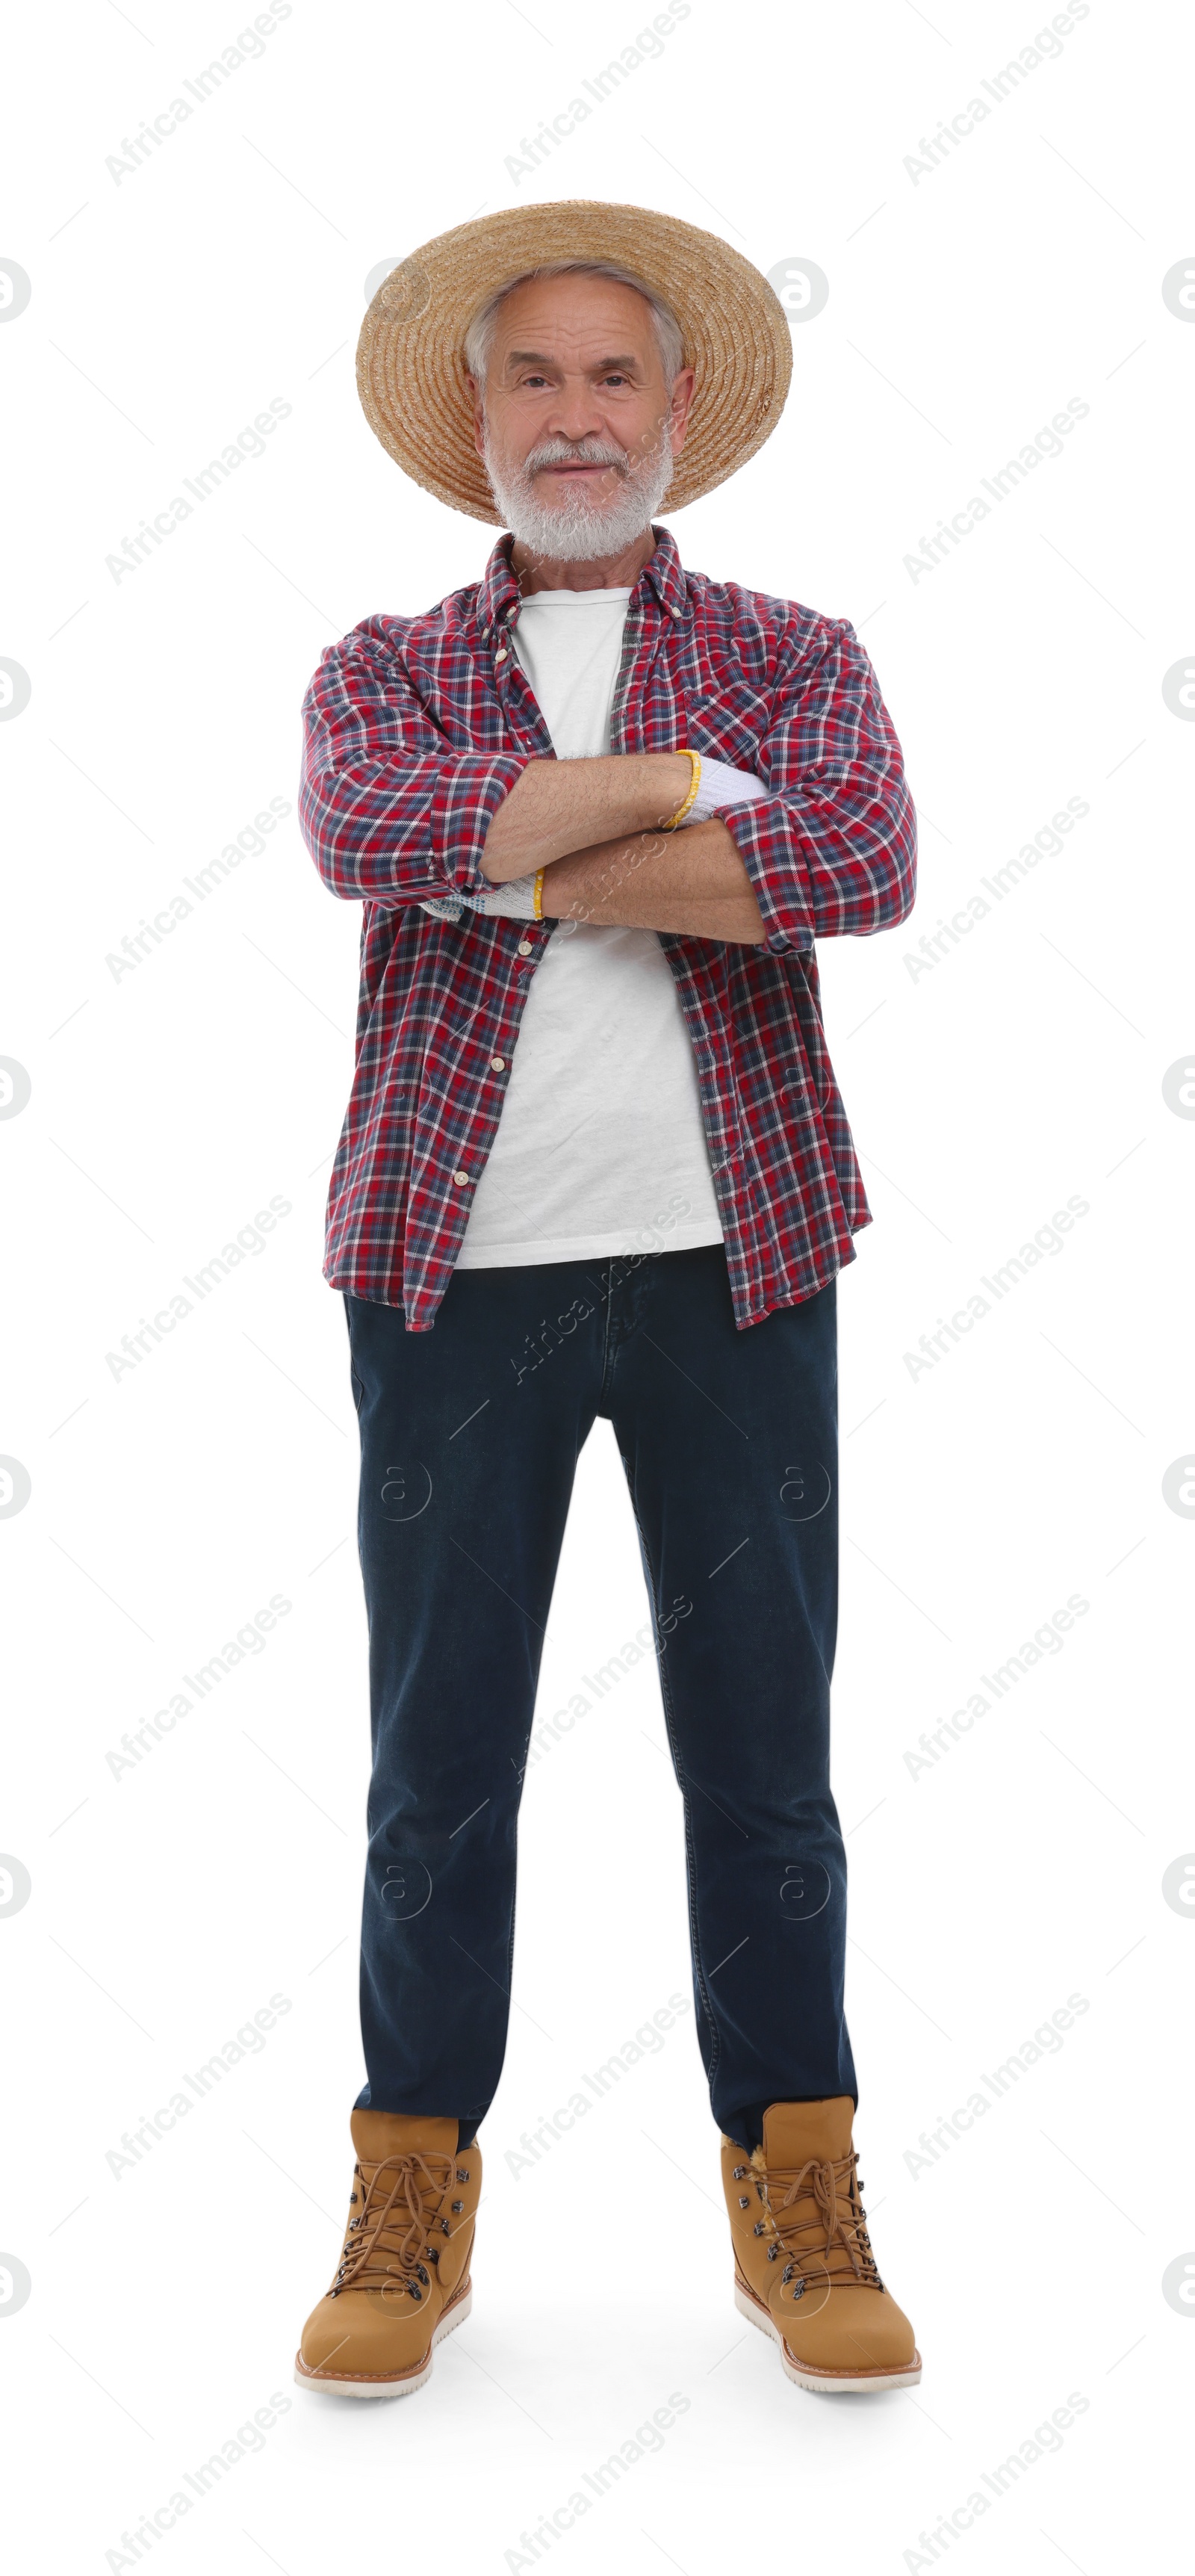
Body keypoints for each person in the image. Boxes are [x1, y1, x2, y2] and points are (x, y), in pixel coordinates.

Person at [294, 200, 920, 2399]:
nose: (576, 418)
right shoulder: (381, 666)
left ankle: (798, 2171)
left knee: (765, 1763)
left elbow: (859, 859)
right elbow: (369, 827)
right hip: (449, 1283)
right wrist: (676, 802)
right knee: (436, 1770)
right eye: (534, 380)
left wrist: (517, 848)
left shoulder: (798, 647)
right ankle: (410, 2180)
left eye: (612, 378)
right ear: (480, 425)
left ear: (678, 413)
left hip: (737, 1269)